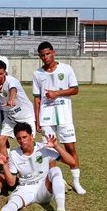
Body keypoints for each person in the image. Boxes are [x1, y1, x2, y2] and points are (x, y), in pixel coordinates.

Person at [0, 122, 74, 211]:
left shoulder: (44, 148)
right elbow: (11, 182)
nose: (22, 141)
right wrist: (5, 165)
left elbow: (72, 162)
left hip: (43, 189)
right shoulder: (14, 154)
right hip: (25, 188)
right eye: (19, 138)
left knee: (55, 170)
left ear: (32, 136)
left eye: (25, 137)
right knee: (14, 202)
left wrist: (56, 146)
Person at [33, 41, 85, 195]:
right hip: (46, 117)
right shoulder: (37, 74)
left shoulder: (66, 69)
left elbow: (75, 90)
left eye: (47, 54)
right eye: (42, 55)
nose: (45, 57)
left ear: (53, 53)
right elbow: (37, 98)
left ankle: (76, 182)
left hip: (64, 116)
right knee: (49, 150)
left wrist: (56, 93)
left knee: (70, 148)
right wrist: (37, 121)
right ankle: (54, 181)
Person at [0, 60, 36, 158]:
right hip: (10, 117)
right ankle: (8, 168)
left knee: (29, 144)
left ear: (5, 73)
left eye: (0, 74)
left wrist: (11, 99)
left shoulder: (12, 81)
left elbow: (13, 90)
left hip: (26, 116)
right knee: (1, 140)